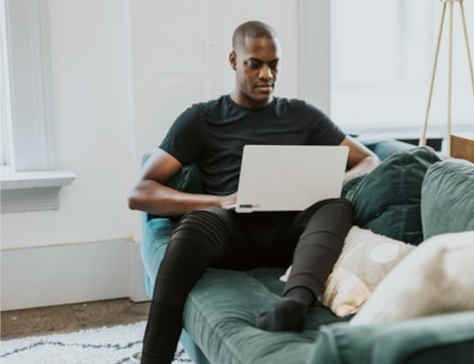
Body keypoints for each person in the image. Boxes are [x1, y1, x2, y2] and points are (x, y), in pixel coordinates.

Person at [127, 20, 379, 364]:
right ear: (234, 60)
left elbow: (368, 161)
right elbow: (140, 191)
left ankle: (294, 303)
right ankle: (153, 358)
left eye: (274, 65)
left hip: (292, 237)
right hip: (231, 231)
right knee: (193, 227)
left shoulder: (301, 115)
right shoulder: (201, 118)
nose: (267, 75)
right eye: (255, 64)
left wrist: (329, 184)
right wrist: (218, 201)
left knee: (336, 207)